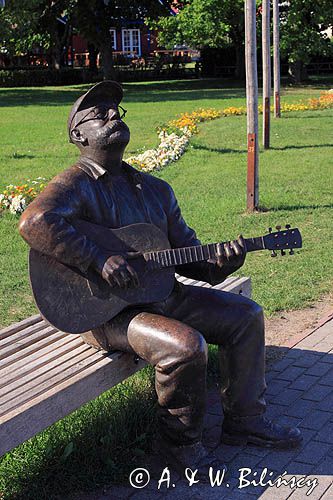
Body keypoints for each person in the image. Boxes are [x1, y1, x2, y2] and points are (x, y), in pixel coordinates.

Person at [19, 81, 302, 476]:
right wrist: (100, 260)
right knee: (185, 347)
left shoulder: (154, 190)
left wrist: (222, 263)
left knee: (246, 315)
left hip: (163, 295)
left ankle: (244, 423)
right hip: (105, 313)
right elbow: (34, 222)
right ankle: (180, 452)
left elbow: (192, 260)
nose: (114, 115)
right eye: (100, 114)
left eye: (117, 111)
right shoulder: (76, 184)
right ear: (78, 135)